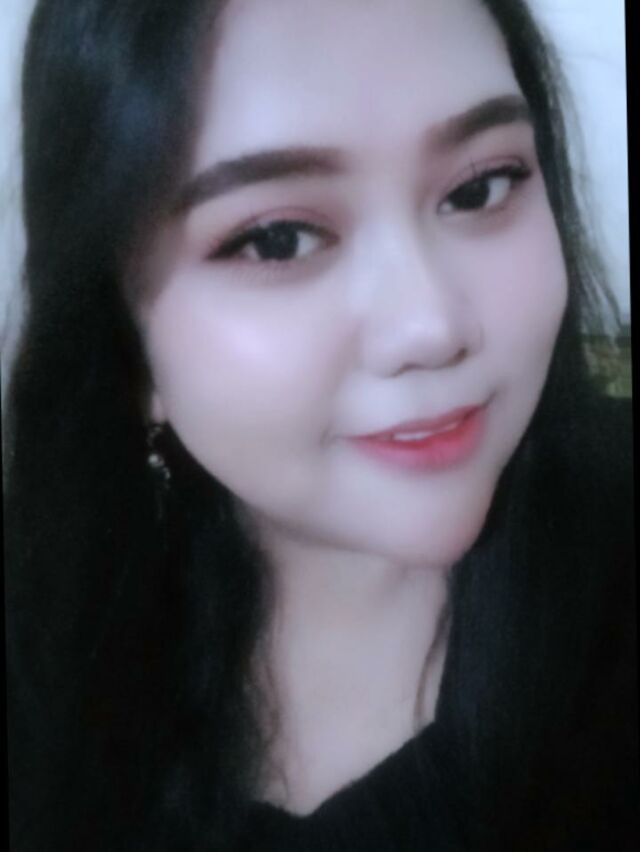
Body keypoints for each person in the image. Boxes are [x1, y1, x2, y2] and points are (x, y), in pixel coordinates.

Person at [4, 0, 635, 849]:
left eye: (480, 188)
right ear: (124, 343)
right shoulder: (45, 661)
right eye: (277, 240)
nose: (430, 326)